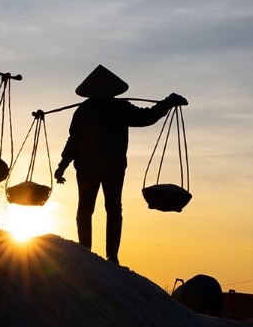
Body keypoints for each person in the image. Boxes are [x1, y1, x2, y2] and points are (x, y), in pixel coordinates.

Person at [54, 65, 187, 264]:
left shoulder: (88, 110)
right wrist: (167, 103)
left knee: (93, 209)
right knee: (108, 208)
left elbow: (73, 141)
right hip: (107, 168)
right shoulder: (111, 109)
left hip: (98, 168)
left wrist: (63, 165)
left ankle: (95, 252)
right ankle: (103, 253)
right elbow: (146, 117)